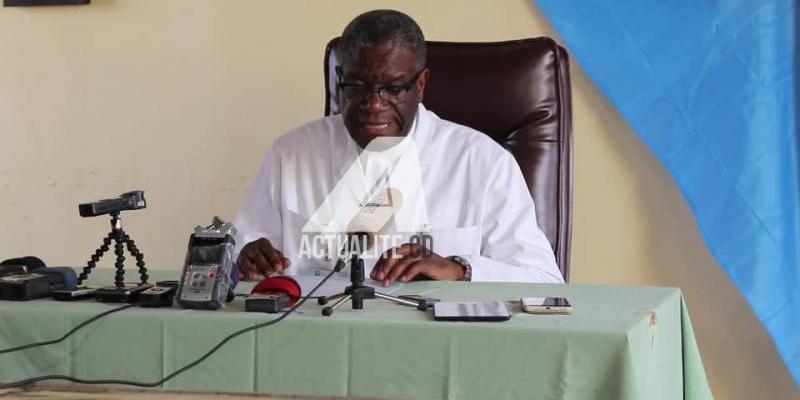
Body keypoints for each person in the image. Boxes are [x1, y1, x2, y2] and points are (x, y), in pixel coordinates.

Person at [234, 9, 564, 285]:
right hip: (317, 343)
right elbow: (242, 253)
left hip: (438, 349)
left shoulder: (482, 163)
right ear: (340, 80)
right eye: (358, 87)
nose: (373, 104)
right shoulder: (290, 155)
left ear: (420, 85)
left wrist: (458, 269)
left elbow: (543, 281)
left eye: (393, 89)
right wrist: (244, 258)